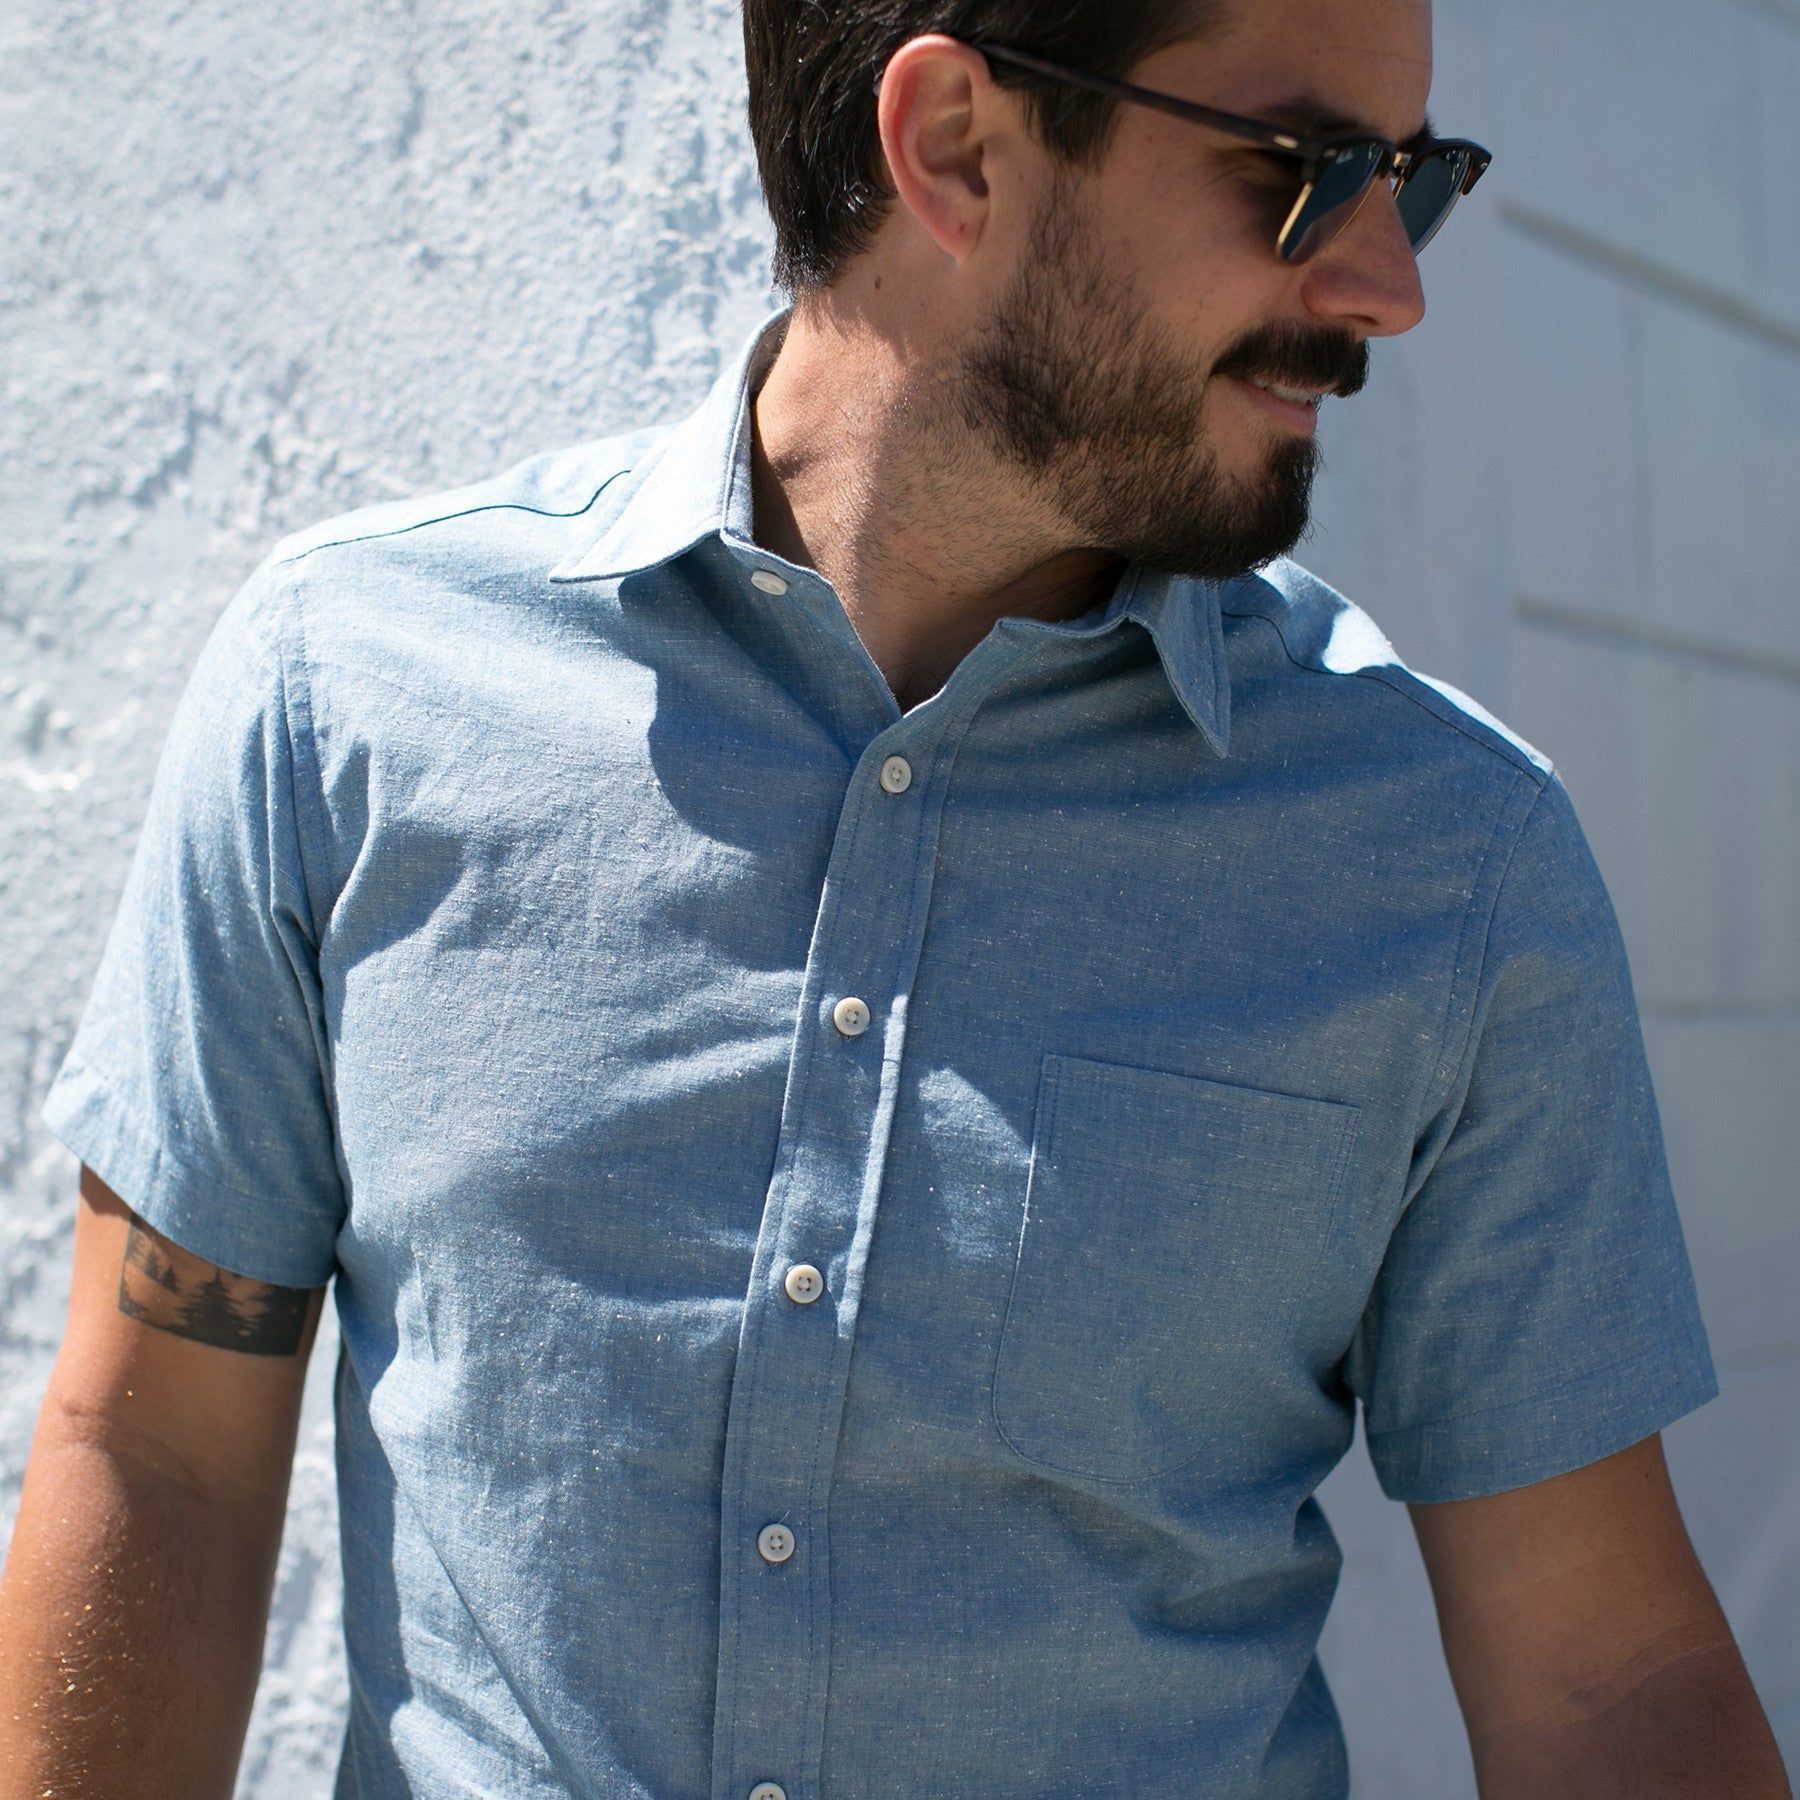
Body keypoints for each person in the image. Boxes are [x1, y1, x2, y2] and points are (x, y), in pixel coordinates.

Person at [0, 0, 1788, 1792]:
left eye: (1413, 178)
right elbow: (156, 1449)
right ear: (953, 148)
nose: (1387, 286)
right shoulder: (349, 695)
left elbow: (1605, 1679)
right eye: (1310, 172)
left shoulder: (1447, 859)